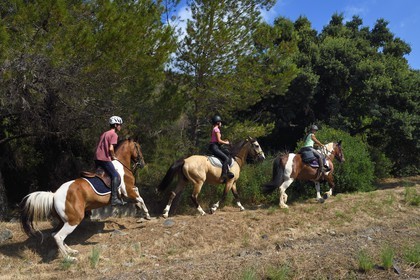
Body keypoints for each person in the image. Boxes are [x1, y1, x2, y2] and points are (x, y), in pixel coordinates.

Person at [94, 116, 126, 206]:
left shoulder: (104, 133)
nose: (120, 126)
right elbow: (111, 148)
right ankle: (114, 199)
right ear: (115, 125)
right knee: (115, 175)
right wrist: (113, 156)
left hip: (96, 158)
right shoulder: (114, 134)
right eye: (119, 125)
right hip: (104, 158)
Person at [209, 115, 234, 182]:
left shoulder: (213, 129)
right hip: (215, 147)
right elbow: (219, 141)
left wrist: (224, 141)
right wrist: (227, 143)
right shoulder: (217, 129)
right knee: (226, 158)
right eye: (220, 122)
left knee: (227, 153)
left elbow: (218, 141)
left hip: (215, 146)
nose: (221, 123)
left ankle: (228, 170)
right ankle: (223, 175)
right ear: (218, 122)